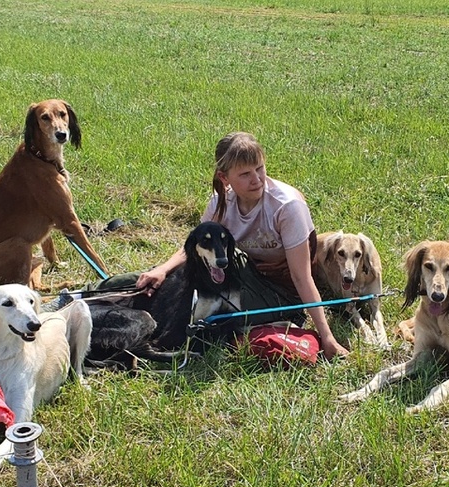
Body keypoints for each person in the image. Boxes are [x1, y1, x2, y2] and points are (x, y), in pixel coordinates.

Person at [136, 132, 349, 359]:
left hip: (283, 292)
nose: (256, 179)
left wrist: (326, 337)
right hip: (246, 272)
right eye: (245, 174)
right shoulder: (221, 201)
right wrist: (161, 270)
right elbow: (196, 247)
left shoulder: (287, 207)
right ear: (224, 178)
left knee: (203, 302)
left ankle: (156, 328)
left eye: (260, 168)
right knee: (173, 278)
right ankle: (121, 294)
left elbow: (301, 277)